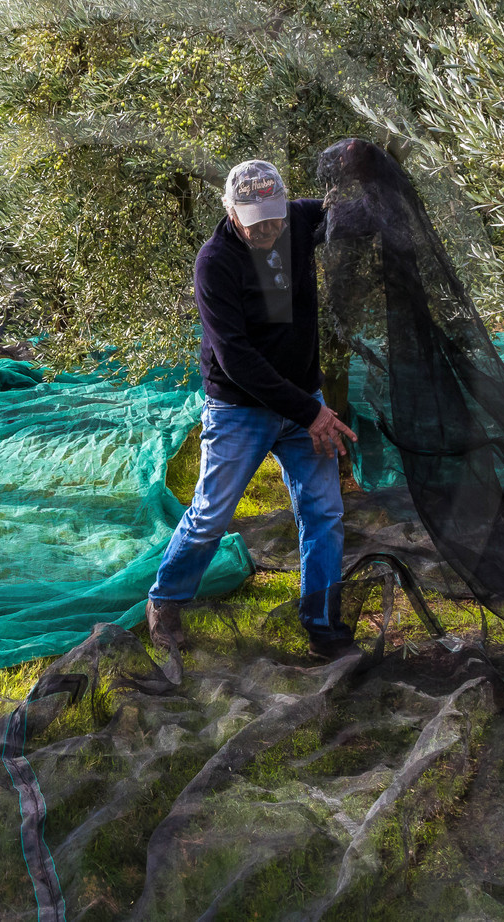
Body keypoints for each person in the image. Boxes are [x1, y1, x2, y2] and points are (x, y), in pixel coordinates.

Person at [147, 159, 360, 660]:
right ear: (229, 210)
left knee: (324, 512)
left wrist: (368, 171)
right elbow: (236, 359)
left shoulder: (300, 222)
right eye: (254, 218)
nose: (267, 228)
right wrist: (310, 412)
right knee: (210, 516)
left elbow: (351, 213)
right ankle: (165, 601)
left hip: (305, 402)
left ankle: (323, 624)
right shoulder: (215, 262)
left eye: (274, 216)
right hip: (239, 408)